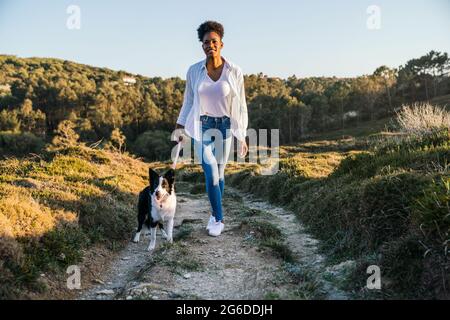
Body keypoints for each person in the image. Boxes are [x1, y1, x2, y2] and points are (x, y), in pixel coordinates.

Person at [175, 20, 248, 237]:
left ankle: (214, 211)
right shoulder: (194, 71)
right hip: (202, 126)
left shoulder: (234, 71)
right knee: (211, 173)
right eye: (206, 42)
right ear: (202, 46)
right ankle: (218, 218)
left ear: (221, 44)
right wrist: (180, 127)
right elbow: (188, 101)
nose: (210, 45)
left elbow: (241, 104)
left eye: (214, 41)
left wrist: (242, 135)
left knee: (221, 173)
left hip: (225, 126)